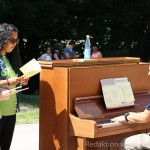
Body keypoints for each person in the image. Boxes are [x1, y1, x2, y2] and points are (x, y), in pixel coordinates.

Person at [0, 23, 28, 150]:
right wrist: (8, 82)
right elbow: (8, 82)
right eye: (11, 40)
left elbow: (12, 82)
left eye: (16, 40)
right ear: (2, 38)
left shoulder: (10, 59)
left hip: (10, 111)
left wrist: (21, 80)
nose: (14, 43)